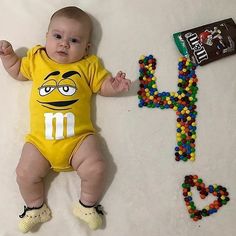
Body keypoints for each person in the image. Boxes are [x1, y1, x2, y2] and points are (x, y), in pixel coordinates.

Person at [0, 6, 131, 233]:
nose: (64, 44)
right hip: (40, 142)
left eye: (74, 40)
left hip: (79, 139)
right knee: (24, 173)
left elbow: (102, 85)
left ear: (87, 47)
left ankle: (87, 204)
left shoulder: (88, 65)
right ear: (46, 38)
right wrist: (9, 56)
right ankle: (34, 207)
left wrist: (113, 86)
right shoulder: (38, 58)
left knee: (97, 167)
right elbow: (18, 70)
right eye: (58, 36)